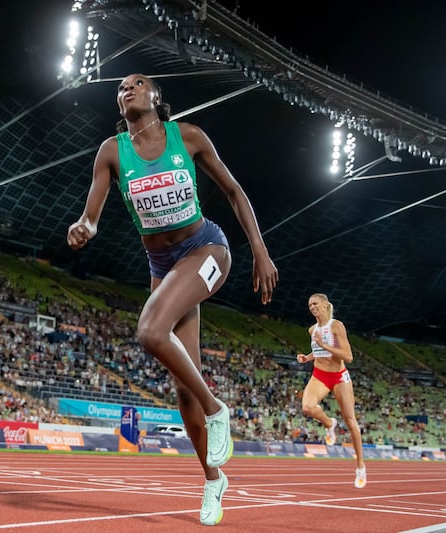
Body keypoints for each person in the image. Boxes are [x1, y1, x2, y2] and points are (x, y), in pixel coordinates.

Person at [67, 74, 278, 526]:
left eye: (137, 83)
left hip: (207, 250)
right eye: (120, 87)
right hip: (162, 269)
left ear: (156, 98)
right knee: (184, 388)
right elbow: (91, 216)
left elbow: (235, 193)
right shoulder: (111, 151)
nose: (127, 89)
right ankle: (213, 479)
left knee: (149, 330)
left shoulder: (190, 137)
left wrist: (259, 251)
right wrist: (83, 228)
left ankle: (218, 410)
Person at [296, 293, 366, 488]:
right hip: (319, 374)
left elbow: (348, 356)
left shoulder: (336, 326)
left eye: (315, 303)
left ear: (326, 305)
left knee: (351, 422)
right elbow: (319, 351)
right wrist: (307, 358)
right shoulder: (312, 329)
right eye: (310, 305)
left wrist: (324, 344)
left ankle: (360, 465)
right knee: (308, 407)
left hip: (339, 376)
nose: (312, 307)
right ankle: (329, 423)